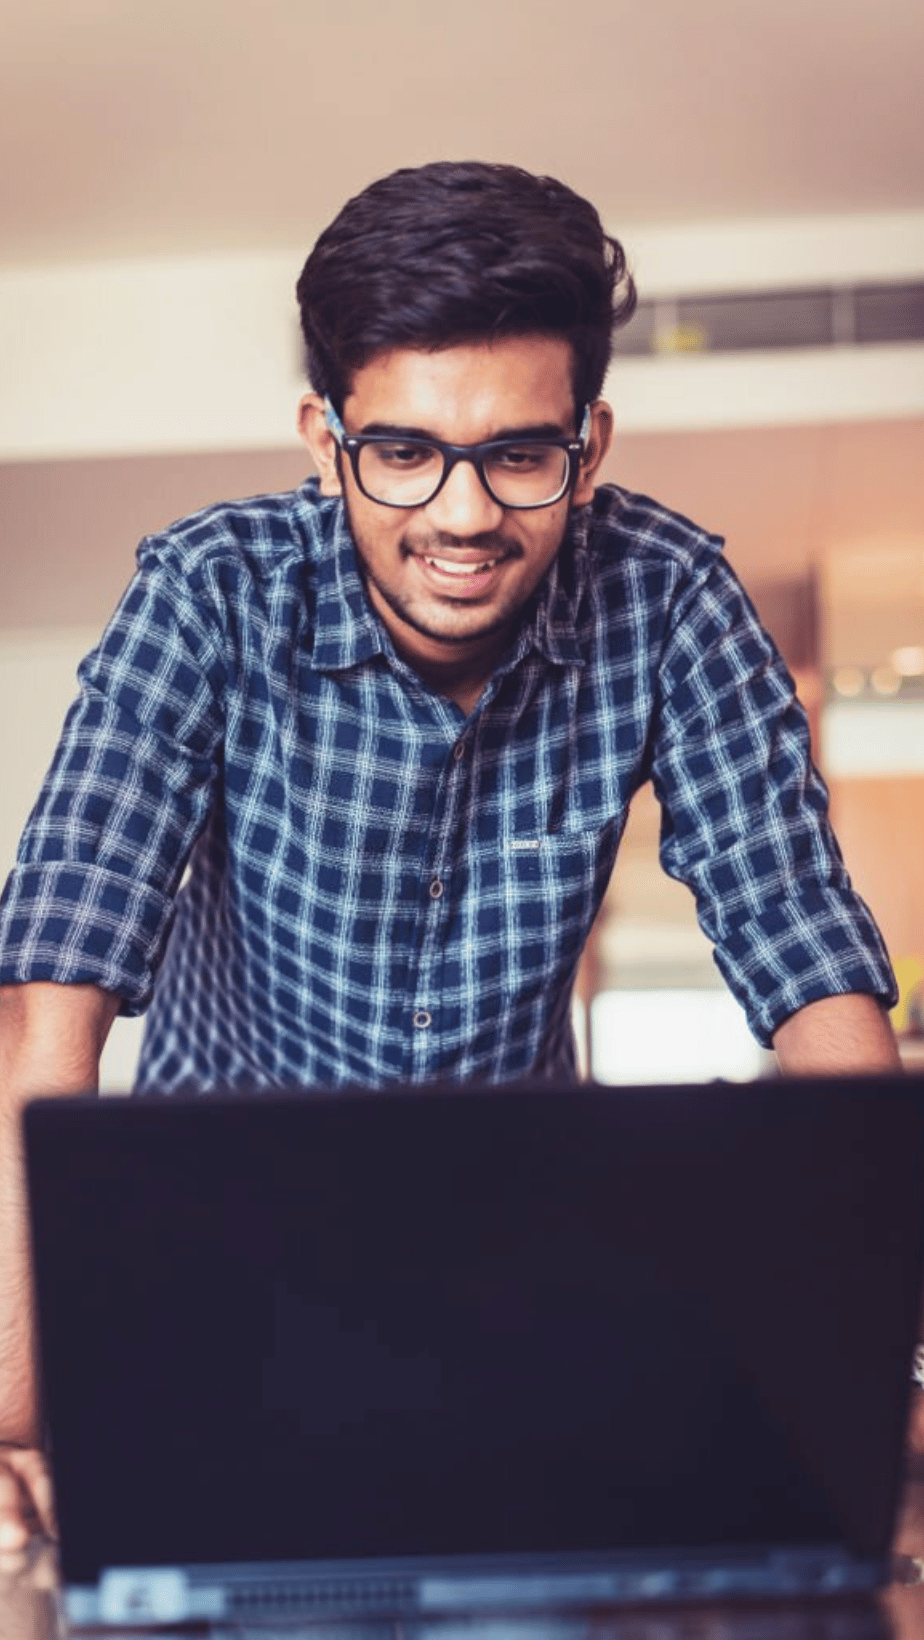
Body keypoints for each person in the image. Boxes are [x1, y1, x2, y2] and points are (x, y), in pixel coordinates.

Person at [0, 161, 901, 1547]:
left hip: (516, 1266)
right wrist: (16, 1413)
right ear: (326, 435)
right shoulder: (209, 592)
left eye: (518, 455)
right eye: (404, 451)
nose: (464, 515)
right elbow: (46, 1008)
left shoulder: (670, 600)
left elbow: (809, 963)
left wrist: (870, 1360)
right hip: (212, 1257)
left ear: (589, 444)